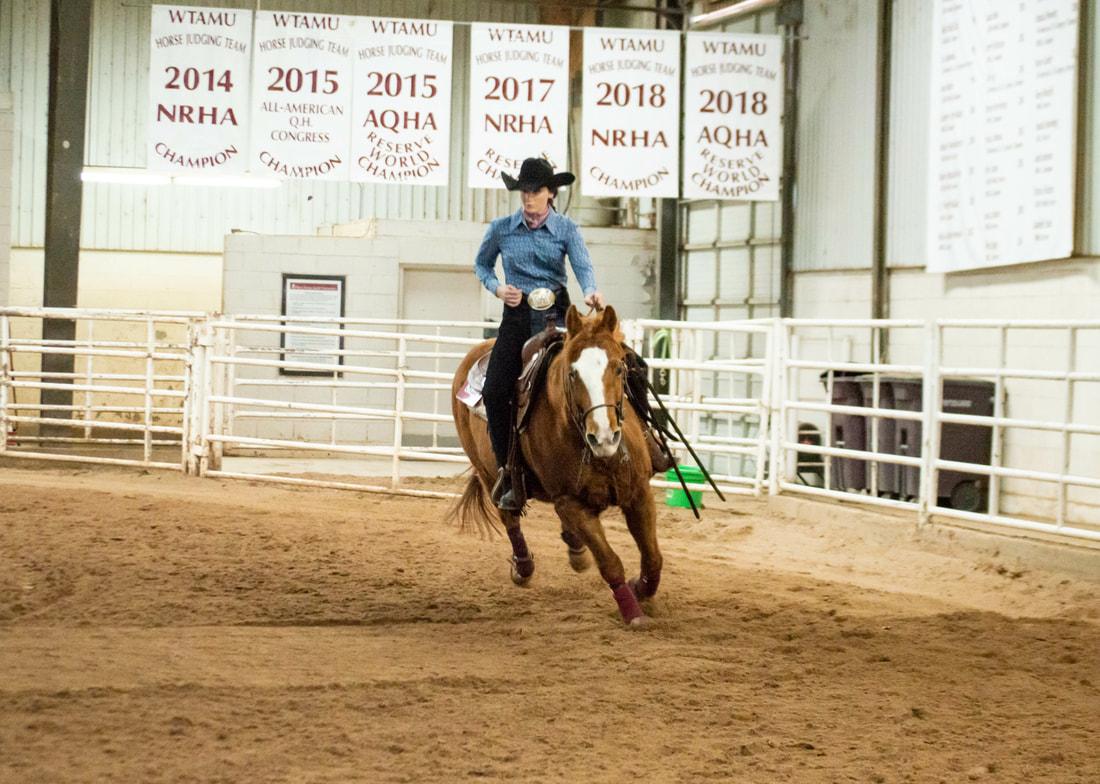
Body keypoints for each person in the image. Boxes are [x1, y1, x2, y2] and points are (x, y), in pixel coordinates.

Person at [474, 157, 605, 510]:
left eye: (536, 191)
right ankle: (509, 471)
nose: (528, 198)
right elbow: (481, 264)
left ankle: (624, 451)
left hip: (557, 316)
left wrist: (590, 290)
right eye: (524, 191)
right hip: (516, 318)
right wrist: (497, 288)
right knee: (496, 389)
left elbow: (582, 265)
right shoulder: (501, 229)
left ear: (551, 193)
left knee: (591, 376)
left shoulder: (566, 230)